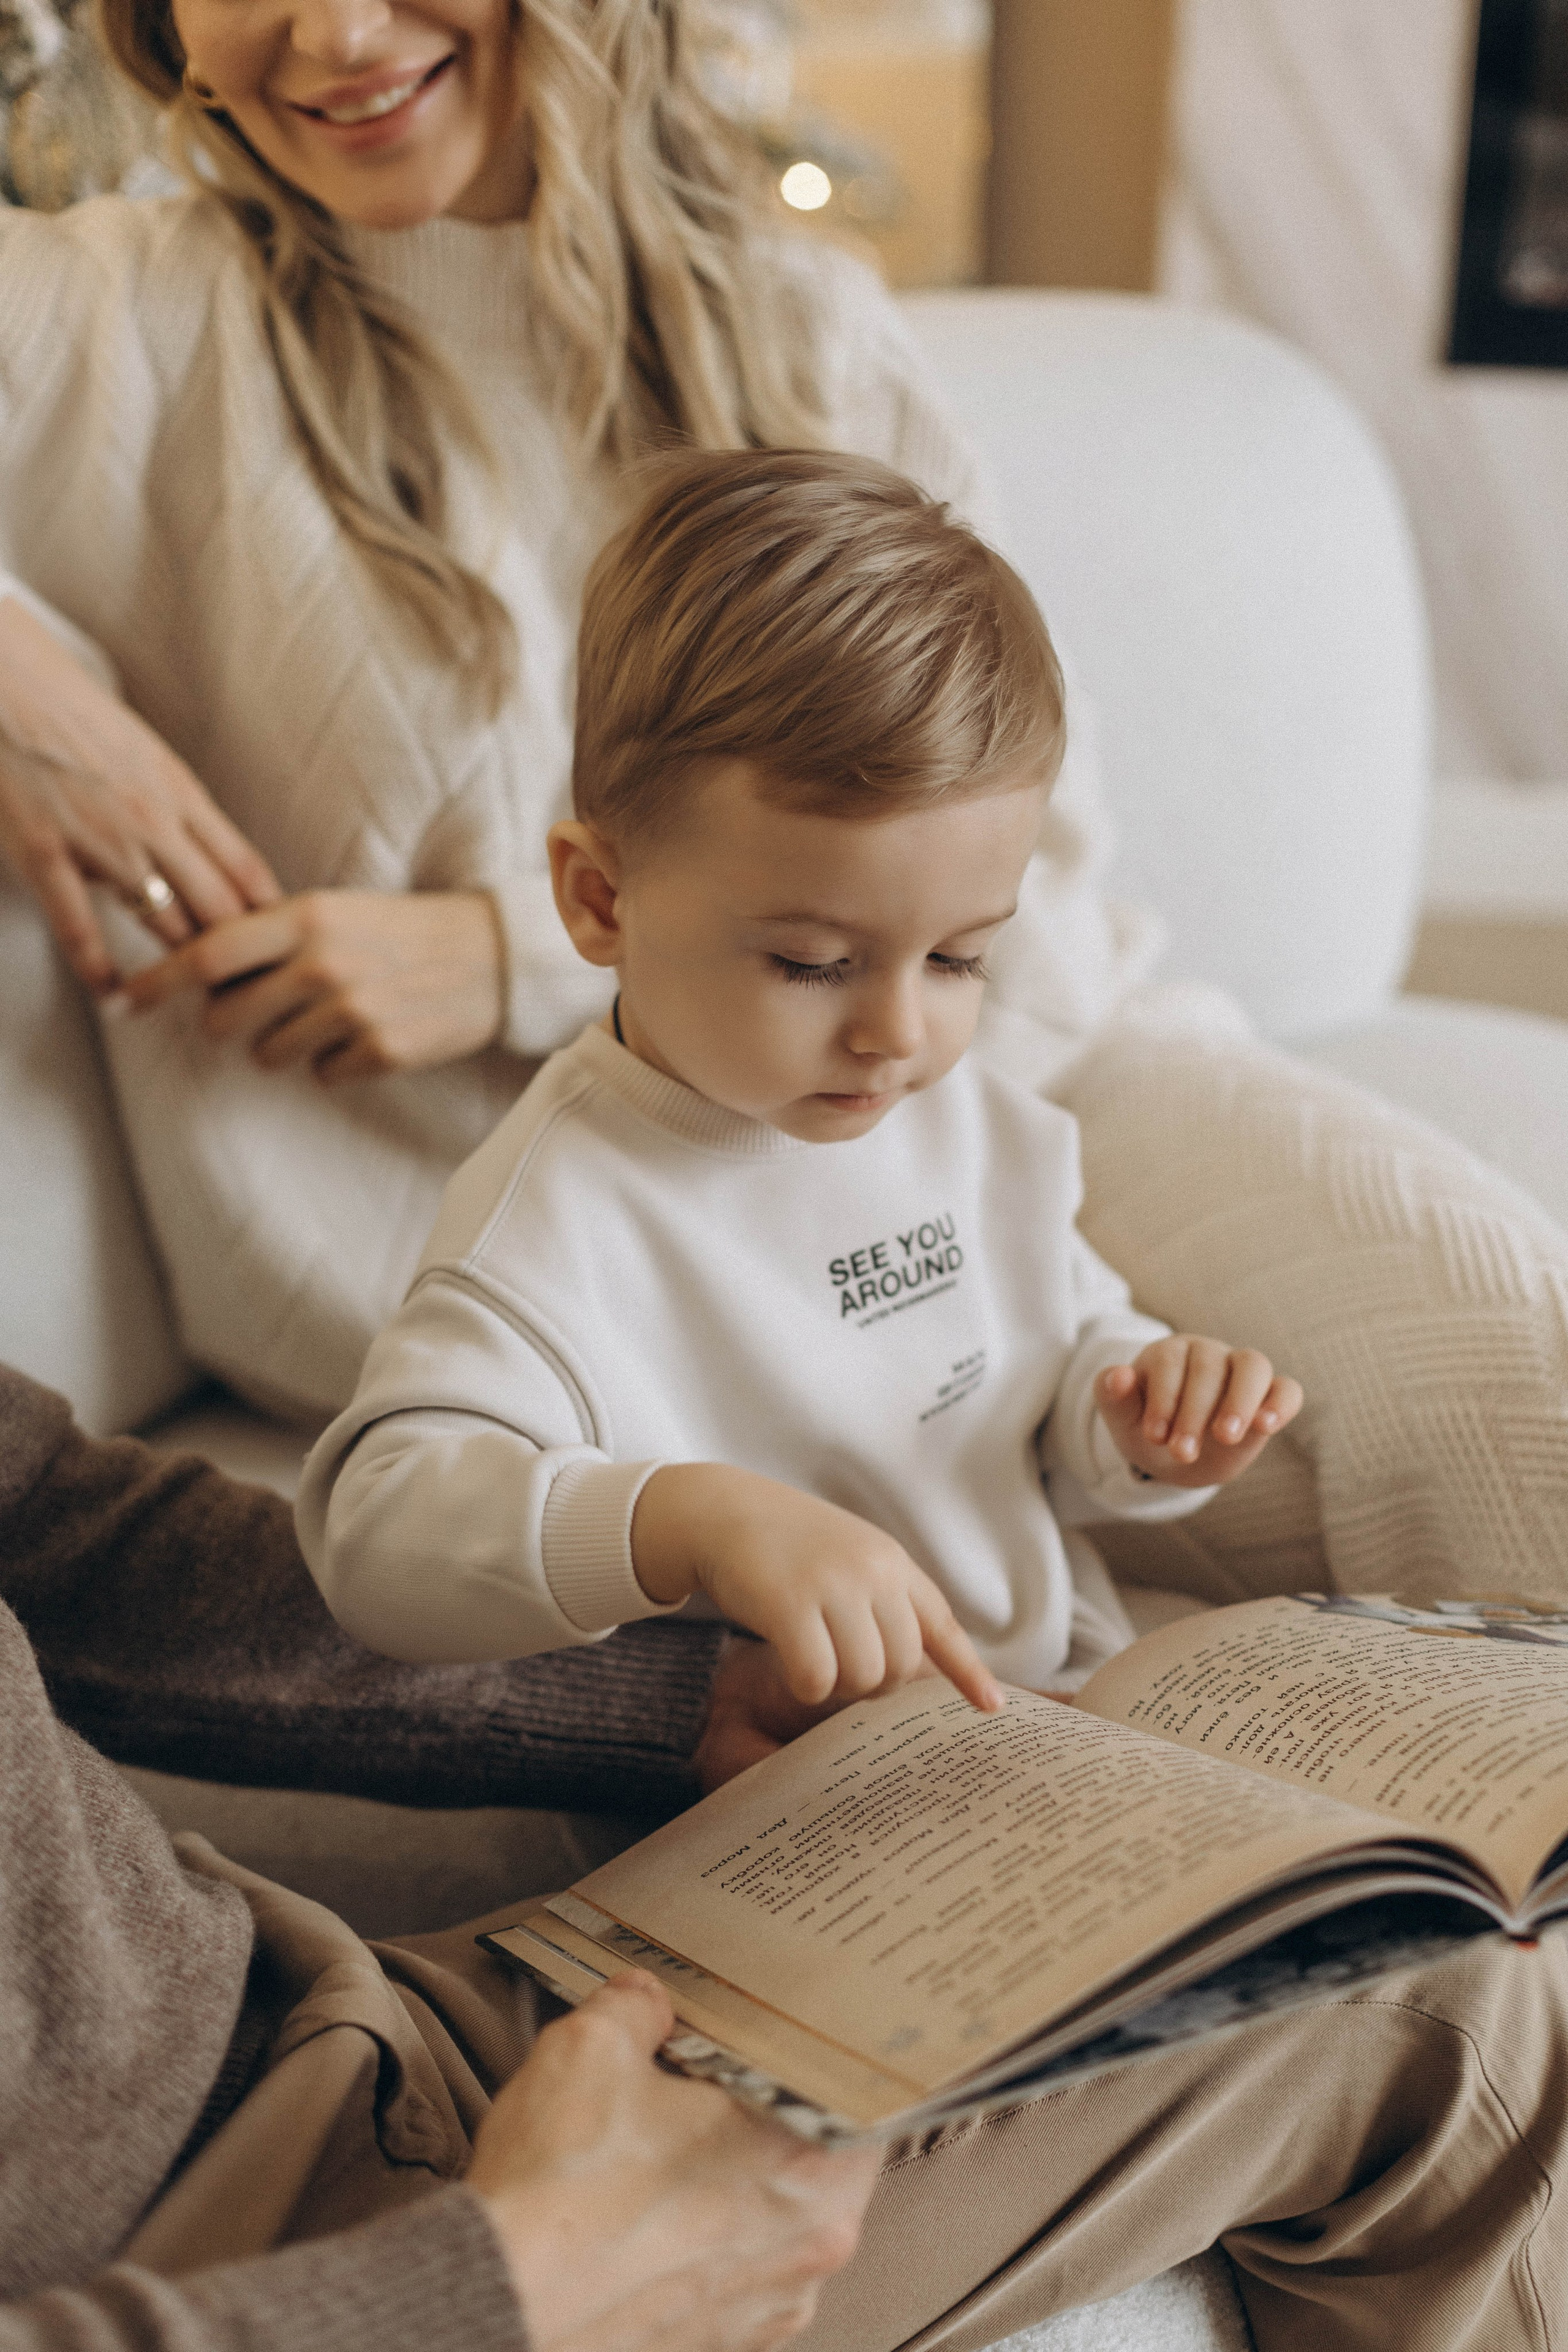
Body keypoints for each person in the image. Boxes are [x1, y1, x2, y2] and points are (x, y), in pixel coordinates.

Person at [4, 1355, 1568, 2352]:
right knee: (1424, 1999)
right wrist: (507, 2297)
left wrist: (663, 1697)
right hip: (274, 2253)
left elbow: (61, 1531)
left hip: (289, 2009)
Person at [296, 452, 1303, 1703]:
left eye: (956, 958)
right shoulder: (556, 1220)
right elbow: (375, 1541)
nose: (894, 1032)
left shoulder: (968, 1124)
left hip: (1039, 1706)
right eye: (813, 964)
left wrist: (1138, 1414)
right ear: (599, 899)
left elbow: (1044, 1393)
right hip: (766, 1787)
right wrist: (683, 1521)